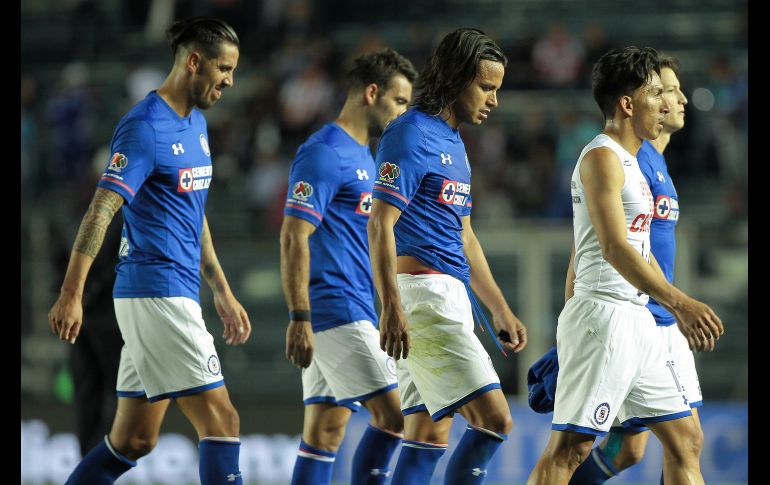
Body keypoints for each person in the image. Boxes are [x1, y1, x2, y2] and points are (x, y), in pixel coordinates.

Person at [47, 17, 252, 484]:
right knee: (223, 422)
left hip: (171, 291)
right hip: (156, 293)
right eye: (223, 68)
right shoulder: (144, 127)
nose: (229, 81)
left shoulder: (196, 123)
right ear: (194, 62)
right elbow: (101, 209)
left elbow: (193, 213)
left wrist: (220, 289)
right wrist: (71, 293)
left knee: (134, 440)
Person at [526, 46, 724, 485]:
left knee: (686, 439)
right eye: (656, 94)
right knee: (570, 451)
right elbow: (614, 248)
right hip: (604, 317)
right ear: (627, 103)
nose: (666, 103)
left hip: (639, 320)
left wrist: (675, 303)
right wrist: (680, 303)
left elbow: (639, 247)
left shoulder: (634, 164)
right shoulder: (601, 157)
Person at [367, 28, 528, 485]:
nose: (494, 100)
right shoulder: (410, 134)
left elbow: (465, 237)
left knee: (428, 436)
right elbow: (379, 223)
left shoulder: (454, 144)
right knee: (495, 420)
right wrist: (391, 307)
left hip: (446, 295)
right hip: (422, 299)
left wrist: (498, 306)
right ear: (456, 78)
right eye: (486, 87)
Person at [280, 48, 417, 485]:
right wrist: (299, 316)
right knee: (398, 418)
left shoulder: (366, 157)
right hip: (334, 309)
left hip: (352, 305)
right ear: (371, 93)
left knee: (325, 432)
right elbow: (293, 234)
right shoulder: (323, 152)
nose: (402, 114)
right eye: (398, 102)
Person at [569, 54, 703, 485]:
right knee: (577, 447)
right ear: (636, 101)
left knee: (647, 445)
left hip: (655, 314)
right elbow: (595, 247)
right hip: (637, 313)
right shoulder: (624, 158)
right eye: (663, 90)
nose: (674, 99)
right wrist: (571, 323)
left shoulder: (652, 164)